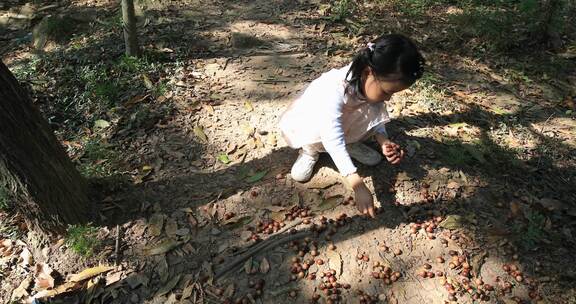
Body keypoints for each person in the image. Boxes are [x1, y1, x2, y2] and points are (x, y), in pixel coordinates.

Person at [279, 34, 425, 218]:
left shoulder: (372, 84)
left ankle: (350, 143)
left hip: (347, 123)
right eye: (388, 92)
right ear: (367, 73)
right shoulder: (333, 90)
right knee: (316, 142)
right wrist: (357, 183)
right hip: (318, 124)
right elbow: (331, 136)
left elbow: (375, 115)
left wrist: (383, 139)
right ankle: (310, 151)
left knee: (373, 159)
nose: (388, 98)